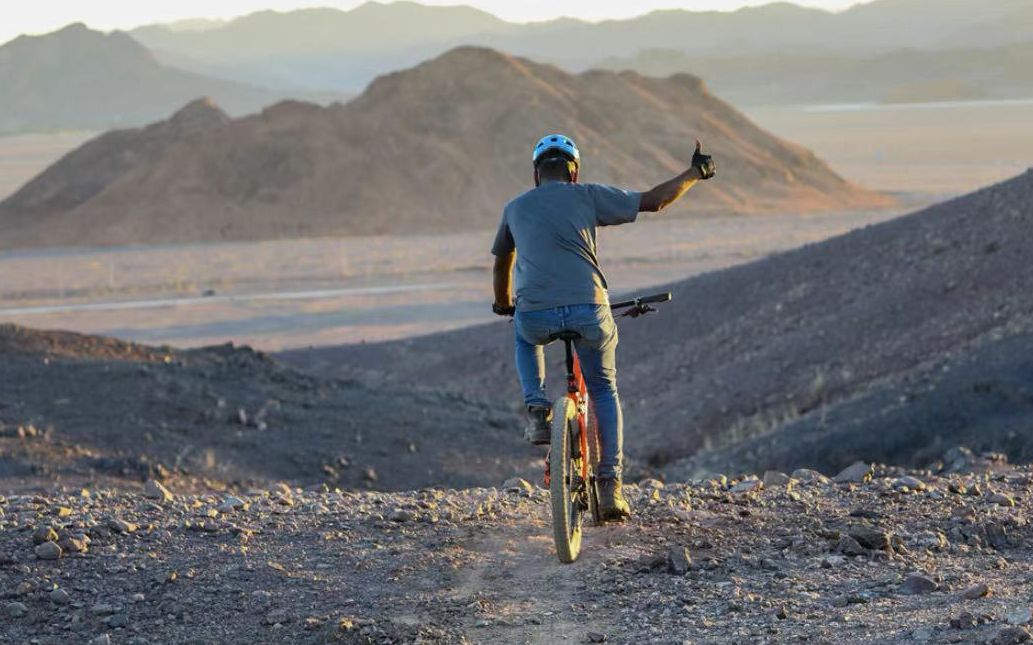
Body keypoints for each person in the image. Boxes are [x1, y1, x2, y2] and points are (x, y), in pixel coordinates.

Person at [490, 133, 716, 521]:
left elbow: (501, 263)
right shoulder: (587, 196)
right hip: (589, 310)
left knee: (525, 337)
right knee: (603, 389)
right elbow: (654, 201)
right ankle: (610, 486)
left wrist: (503, 302)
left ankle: (537, 410)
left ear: (535, 174)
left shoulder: (514, 208)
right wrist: (695, 172)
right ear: (574, 173)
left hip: (536, 312)